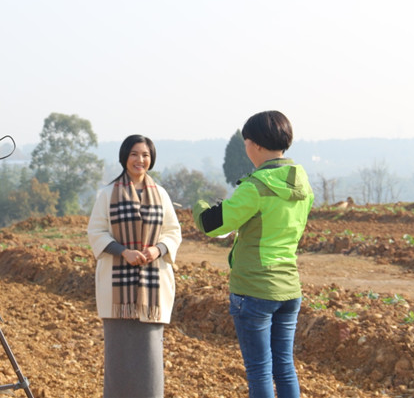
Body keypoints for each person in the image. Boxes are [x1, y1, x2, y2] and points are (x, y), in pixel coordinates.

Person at [192, 111, 314, 398]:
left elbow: (213, 224)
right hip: (289, 288)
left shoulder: (255, 187)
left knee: (259, 369)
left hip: (254, 290)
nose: (245, 147)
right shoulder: (303, 185)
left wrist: (198, 205)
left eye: (246, 141)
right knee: (284, 367)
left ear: (256, 144)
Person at [87, 134, 182, 398]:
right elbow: (96, 232)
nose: (140, 160)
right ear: (124, 158)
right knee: (118, 361)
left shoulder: (160, 194)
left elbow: (173, 232)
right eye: (134, 154)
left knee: (150, 359)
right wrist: (123, 252)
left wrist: (156, 250)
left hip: (152, 293)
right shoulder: (107, 194)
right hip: (116, 293)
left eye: (145, 155)